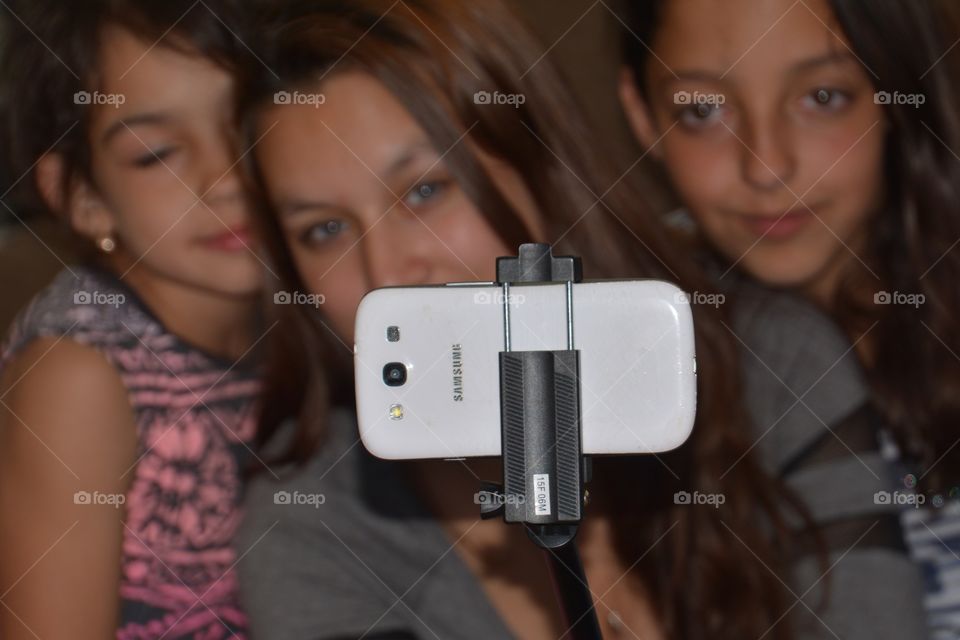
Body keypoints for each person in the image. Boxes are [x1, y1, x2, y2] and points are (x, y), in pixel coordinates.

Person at [236, 1, 923, 638]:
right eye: (324, 229)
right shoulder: (313, 526)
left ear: (540, 171)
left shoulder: (776, 367)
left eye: (425, 190)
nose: (387, 273)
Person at [619, 0, 960, 636]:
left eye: (823, 96)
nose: (767, 166)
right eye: (702, 111)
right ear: (642, 117)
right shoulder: (628, 370)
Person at [0, 1, 265, 637]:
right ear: (83, 200)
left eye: (248, 125)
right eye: (157, 154)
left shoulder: (311, 310)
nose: (225, 176)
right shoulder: (78, 375)